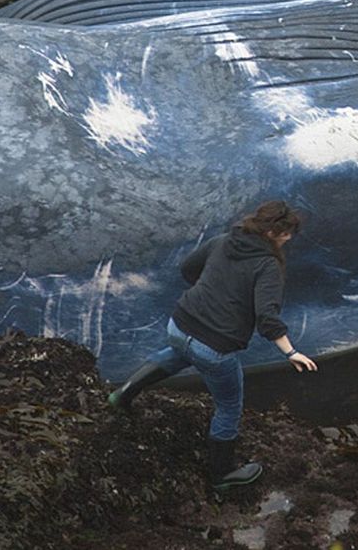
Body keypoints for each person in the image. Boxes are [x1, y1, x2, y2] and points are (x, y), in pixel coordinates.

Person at [108, 200, 318, 490]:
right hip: (214, 347)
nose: (288, 239)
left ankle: (122, 395)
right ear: (272, 233)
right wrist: (290, 352)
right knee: (229, 406)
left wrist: (212, 292)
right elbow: (266, 317)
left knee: (178, 353)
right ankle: (221, 476)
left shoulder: (222, 241)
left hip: (179, 325)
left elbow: (187, 268)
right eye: (286, 233)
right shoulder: (268, 265)